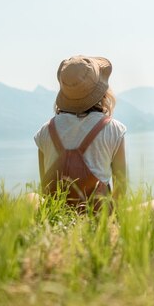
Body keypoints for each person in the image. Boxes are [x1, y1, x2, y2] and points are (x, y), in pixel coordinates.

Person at [34, 55, 127, 205]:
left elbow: (45, 189)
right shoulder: (114, 129)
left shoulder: (45, 131)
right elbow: (120, 190)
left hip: (58, 216)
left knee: (32, 198)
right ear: (101, 91)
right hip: (100, 217)